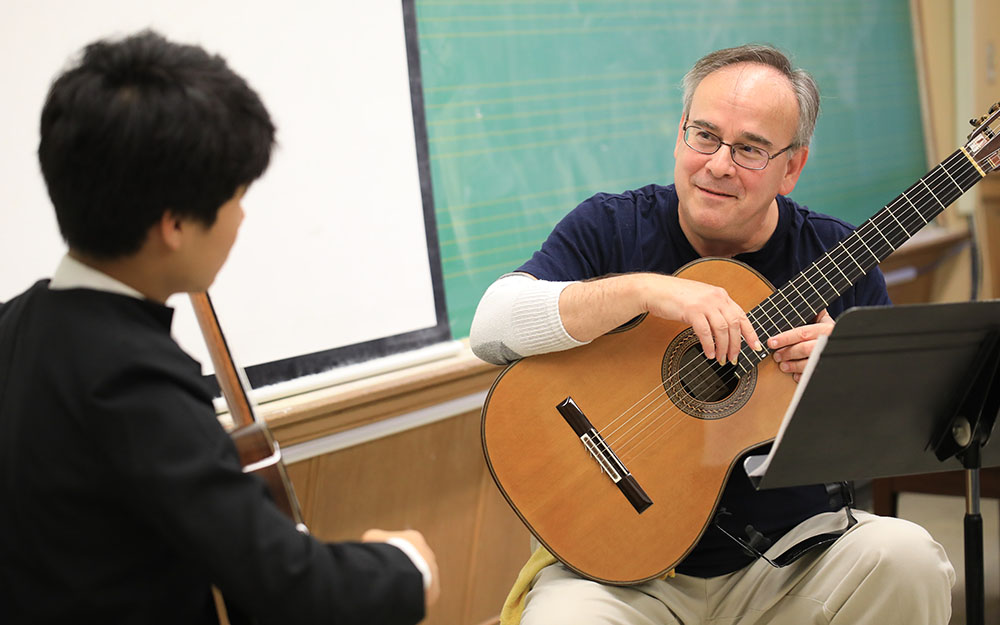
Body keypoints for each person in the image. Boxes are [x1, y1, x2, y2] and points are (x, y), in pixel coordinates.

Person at [470, 44, 955, 624]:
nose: (719, 164)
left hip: (785, 565)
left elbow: (896, 435)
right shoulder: (613, 225)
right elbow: (490, 328)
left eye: (750, 149)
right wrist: (647, 291)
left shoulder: (837, 257)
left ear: (792, 167)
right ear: (680, 135)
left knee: (911, 559)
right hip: (622, 576)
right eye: (704, 135)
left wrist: (843, 381)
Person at [0, 30, 438, 624]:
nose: (242, 215)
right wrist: (407, 565)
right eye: (236, 196)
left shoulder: (21, 321)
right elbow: (288, 586)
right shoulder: (131, 382)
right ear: (174, 223)